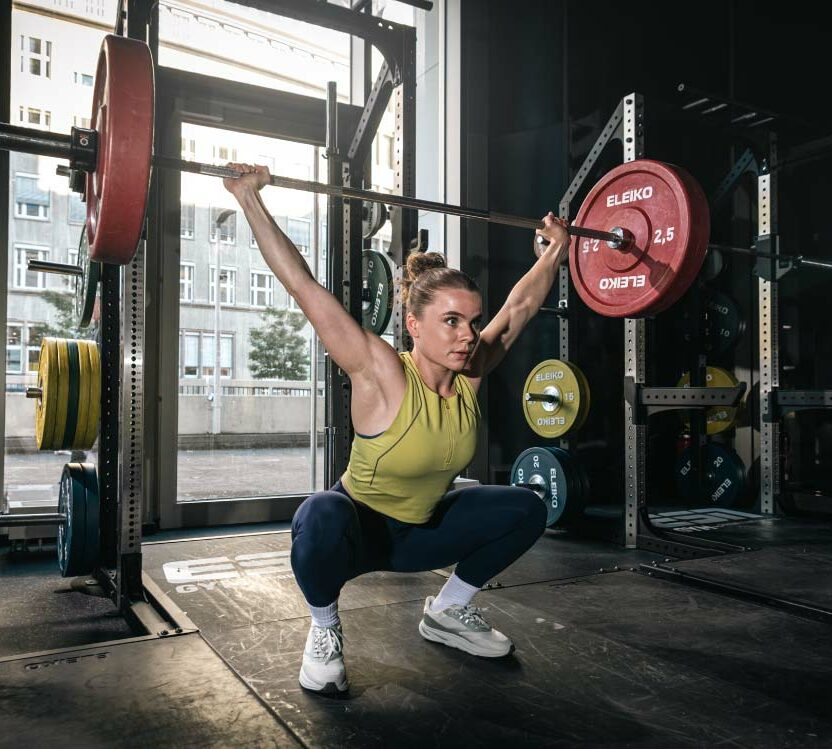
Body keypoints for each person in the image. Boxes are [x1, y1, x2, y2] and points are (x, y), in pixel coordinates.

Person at [224, 164, 570, 696]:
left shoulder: (471, 374)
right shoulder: (380, 371)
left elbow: (521, 307)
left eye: (472, 321)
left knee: (527, 506)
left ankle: (448, 612)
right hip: (355, 533)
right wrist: (248, 198)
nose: (468, 334)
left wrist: (555, 251)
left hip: (419, 537)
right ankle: (323, 628)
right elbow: (303, 286)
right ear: (414, 325)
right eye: (452, 321)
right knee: (317, 514)